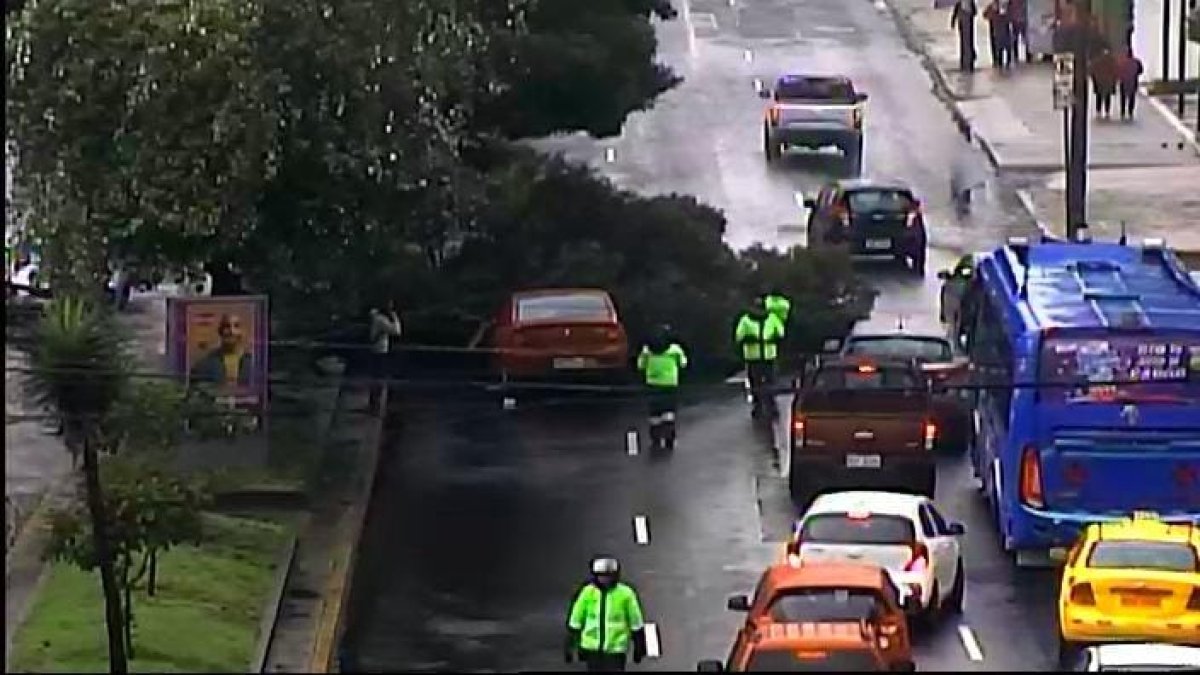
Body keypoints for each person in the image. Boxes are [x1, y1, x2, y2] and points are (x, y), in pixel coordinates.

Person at [565, 557, 647, 672]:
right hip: (592, 649)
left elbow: (636, 622)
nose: (605, 579)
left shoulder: (625, 594)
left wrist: (640, 647)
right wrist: (569, 646)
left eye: (608, 576)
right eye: (601, 576)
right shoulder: (588, 593)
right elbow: (576, 620)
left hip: (615, 650)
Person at [637, 325, 688, 451]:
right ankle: (669, 436)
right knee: (669, 410)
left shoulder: (646, 350)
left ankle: (655, 437)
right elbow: (683, 363)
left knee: (655, 412)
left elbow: (640, 366)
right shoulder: (675, 350)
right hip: (670, 384)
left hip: (653, 384)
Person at [734, 297, 786, 419]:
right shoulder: (745, 320)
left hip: (768, 356)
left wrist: (773, 339)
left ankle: (771, 405)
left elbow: (781, 334)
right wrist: (749, 339)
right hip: (753, 357)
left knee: (770, 382)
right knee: (755, 383)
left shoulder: (773, 319)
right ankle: (757, 406)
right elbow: (739, 337)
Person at [189, 313, 253, 387]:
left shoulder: (255, 365)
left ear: (243, 331)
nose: (231, 331)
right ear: (220, 331)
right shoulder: (202, 366)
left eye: (236, 326)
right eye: (227, 327)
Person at [368, 301, 403, 413]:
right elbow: (396, 331)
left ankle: (374, 403)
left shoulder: (377, 317)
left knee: (376, 377)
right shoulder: (382, 320)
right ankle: (375, 405)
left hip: (377, 350)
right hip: (380, 351)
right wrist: (395, 316)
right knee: (379, 378)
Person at [1116, 47, 1144, 120]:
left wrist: (1119, 77)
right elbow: (1140, 70)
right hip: (1133, 80)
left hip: (1123, 81)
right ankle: (1130, 111)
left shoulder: (1121, 62)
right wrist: (1135, 74)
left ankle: (1122, 111)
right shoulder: (1136, 62)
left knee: (1123, 97)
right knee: (1132, 96)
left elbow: (1118, 71)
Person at [950, 0, 977, 72]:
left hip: (965, 18)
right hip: (965, 19)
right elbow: (974, 11)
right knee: (966, 41)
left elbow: (974, 11)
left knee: (965, 41)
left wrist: (953, 20)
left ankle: (967, 61)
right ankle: (967, 60)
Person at [983, 1, 1011, 69]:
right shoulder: (994, 6)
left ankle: (1001, 62)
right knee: (1002, 46)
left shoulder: (998, 6)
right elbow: (985, 15)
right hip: (998, 29)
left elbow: (985, 15)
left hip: (998, 29)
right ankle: (1001, 62)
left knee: (1001, 46)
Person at [1091, 47, 1117, 119]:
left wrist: (1094, 80)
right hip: (1108, 81)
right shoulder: (1111, 61)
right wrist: (1114, 81)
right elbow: (1114, 71)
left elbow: (1093, 71)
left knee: (1099, 96)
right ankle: (1107, 111)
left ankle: (1099, 111)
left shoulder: (1097, 61)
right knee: (1107, 97)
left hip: (1100, 81)